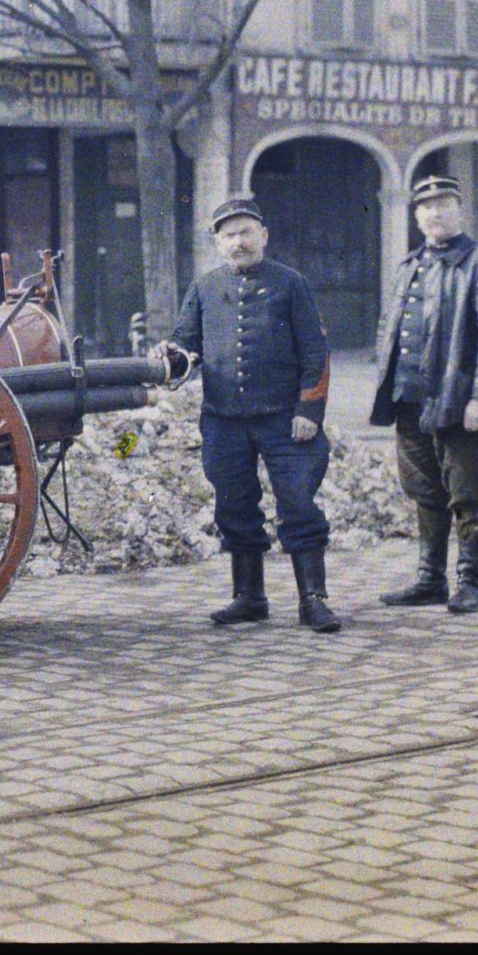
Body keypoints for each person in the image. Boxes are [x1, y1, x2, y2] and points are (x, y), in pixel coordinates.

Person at [157, 193, 340, 633]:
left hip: (285, 420)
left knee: (297, 503)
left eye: (246, 232)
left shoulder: (291, 283)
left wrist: (309, 409)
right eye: (229, 235)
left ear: (263, 236)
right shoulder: (203, 288)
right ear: (217, 243)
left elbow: (316, 351)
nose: (239, 242)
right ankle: (249, 597)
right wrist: (172, 356)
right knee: (234, 505)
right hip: (224, 419)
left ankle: (312, 599)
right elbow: (186, 343)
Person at [372, 175, 478, 615]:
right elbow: (388, 328)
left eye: (444, 204)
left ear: (460, 210)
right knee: (424, 492)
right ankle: (429, 580)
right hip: (408, 400)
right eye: (426, 206)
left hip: (457, 403)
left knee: (468, 494)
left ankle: (469, 583)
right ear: (415, 215)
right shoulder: (407, 267)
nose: (434, 213)